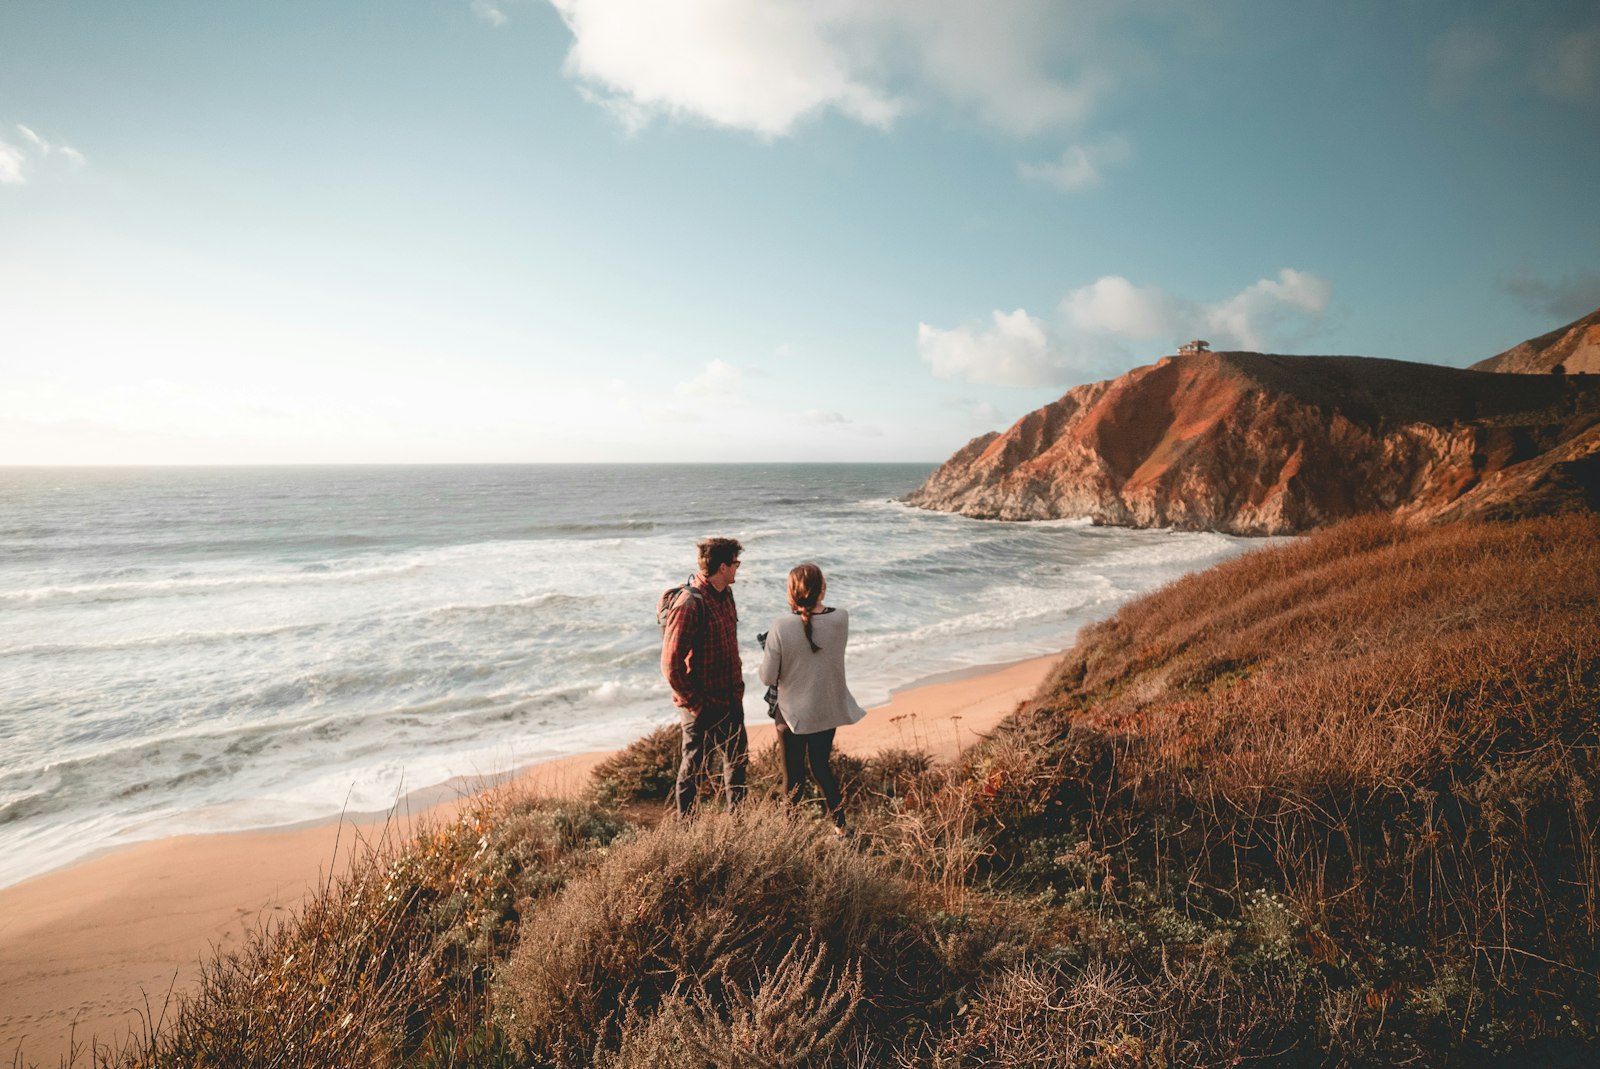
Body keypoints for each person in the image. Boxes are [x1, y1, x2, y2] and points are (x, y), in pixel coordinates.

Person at [758, 562, 866, 834]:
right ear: (823, 589)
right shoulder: (841, 617)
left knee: (793, 777)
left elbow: (767, 677)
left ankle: (791, 835)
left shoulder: (781, 626)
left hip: (792, 715)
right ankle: (841, 828)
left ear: (791, 593)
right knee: (821, 769)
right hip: (826, 709)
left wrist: (769, 648)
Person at [661, 537, 747, 816]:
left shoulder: (726, 595)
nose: (738, 568)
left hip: (730, 698)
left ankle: (739, 826)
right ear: (723, 567)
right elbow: (670, 665)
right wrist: (697, 705)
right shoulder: (689, 603)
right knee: (693, 771)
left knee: (737, 765)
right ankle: (686, 830)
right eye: (736, 563)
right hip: (702, 705)